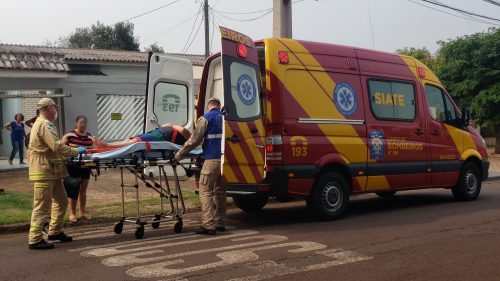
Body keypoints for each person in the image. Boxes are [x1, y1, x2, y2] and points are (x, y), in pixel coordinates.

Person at [28, 98, 86, 250]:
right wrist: (74, 151)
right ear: (48, 108)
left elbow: (53, 149)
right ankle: (34, 239)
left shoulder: (44, 124)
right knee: (42, 205)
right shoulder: (44, 125)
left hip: (51, 172)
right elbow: (57, 146)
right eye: (54, 108)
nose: (56, 111)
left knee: (61, 201)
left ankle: (54, 231)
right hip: (43, 172)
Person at [175, 97, 225, 235]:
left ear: (208, 106)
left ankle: (208, 225)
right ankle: (220, 222)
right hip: (225, 160)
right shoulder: (226, 119)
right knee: (220, 191)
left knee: (205, 189)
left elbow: (194, 140)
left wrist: (180, 154)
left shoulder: (205, 118)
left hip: (212, 160)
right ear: (219, 106)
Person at [62, 115, 94, 223]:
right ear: (76, 124)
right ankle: (72, 213)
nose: (83, 125)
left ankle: (83, 212)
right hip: (73, 166)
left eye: (85, 123)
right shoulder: (70, 135)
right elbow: (61, 147)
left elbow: (93, 151)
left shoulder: (90, 137)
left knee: (83, 189)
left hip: (86, 166)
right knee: (74, 189)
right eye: (81, 122)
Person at [94, 123, 191, 148]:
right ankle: (106, 145)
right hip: (155, 134)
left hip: (159, 137)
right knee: (130, 140)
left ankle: (107, 145)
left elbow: (182, 130)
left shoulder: (191, 137)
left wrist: (172, 125)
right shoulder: (189, 136)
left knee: (134, 142)